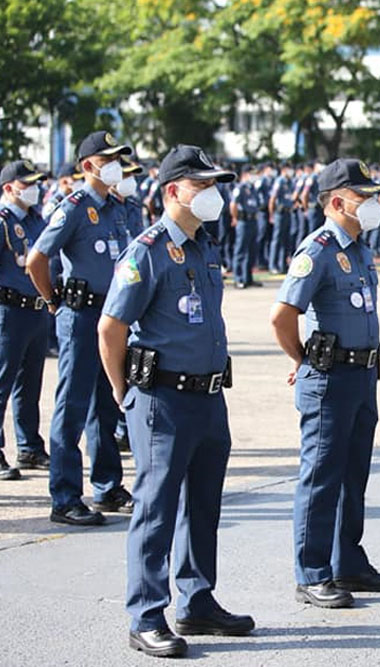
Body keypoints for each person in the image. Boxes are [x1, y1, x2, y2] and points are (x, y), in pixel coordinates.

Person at [98, 144, 254, 657]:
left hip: (208, 397)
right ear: (173, 191)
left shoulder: (206, 246)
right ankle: (145, 614)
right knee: (156, 509)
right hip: (162, 398)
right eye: (203, 186)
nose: (213, 195)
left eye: (215, 186)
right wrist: (125, 392)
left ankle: (197, 599)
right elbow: (111, 327)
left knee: (202, 506)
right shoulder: (146, 250)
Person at [270, 158, 380, 610]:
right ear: (339, 202)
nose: (373, 205)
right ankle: (312, 572)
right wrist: (303, 358)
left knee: (353, 475)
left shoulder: (360, 249)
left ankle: (348, 561)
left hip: (363, 374)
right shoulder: (318, 249)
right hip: (329, 378)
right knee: (321, 477)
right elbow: (283, 315)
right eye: (364, 197)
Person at [27, 130, 132, 525]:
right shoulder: (73, 207)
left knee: (107, 403)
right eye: (109, 160)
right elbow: (37, 259)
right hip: (81, 312)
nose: (116, 166)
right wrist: (54, 301)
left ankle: (107, 486)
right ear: (89, 166)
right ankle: (66, 496)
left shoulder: (115, 207)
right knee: (72, 406)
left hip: (111, 317)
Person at [0, 160, 52, 480]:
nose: (34, 188)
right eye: (27, 183)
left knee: (30, 383)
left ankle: (29, 445)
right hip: (8, 310)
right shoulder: (3, 221)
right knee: (2, 382)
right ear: (9, 188)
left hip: (35, 309)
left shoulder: (36, 220)